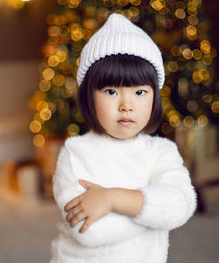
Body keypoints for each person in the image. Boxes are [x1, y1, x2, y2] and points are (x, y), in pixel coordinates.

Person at [50, 13, 197, 263]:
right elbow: (88, 229)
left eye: (140, 92)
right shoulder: (76, 152)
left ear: (154, 97)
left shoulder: (161, 152)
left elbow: (180, 206)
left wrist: (111, 198)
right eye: (111, 91)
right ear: (89, 96)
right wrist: (154, 215)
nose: (126, 105)